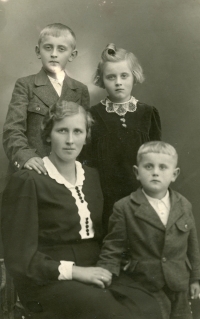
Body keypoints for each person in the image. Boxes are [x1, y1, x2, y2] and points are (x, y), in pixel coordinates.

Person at [1, 102, 162, 319]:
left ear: (86, 137)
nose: (70, 140)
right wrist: (77, 272)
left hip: (95, 268)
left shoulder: (92, 176)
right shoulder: (28, 180)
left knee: (148, 302)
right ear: (48, 135)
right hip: (47, 279)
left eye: (78, 131)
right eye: (62, 131)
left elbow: (105, 234)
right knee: (108, 309)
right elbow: (19, 257)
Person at [97, 141, 200, 319]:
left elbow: (193, 246)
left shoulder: (184, 205)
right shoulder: (125, 207)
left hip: (179, 283)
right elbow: (113, 247)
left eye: (163, 167)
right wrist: (104, 275)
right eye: (149, 166)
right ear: (137, 172)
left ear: (174, 174)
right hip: (145, 284)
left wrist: (195, 278)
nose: (155, 172)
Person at [86, 43, 161, 232]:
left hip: (143, 193)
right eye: (111, 77)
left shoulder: (147, 113)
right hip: (108, 197)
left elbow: (157, 158)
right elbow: (87, 161)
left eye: (124, 76)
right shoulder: (93, 115)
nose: (118, 82)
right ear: (102, 80)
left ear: (134, 77)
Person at [3, 23, 90, 176]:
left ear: (72, 55)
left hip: (66, 172)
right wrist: (26, 157)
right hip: (34, 170)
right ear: (38, 51)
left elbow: (83, 134)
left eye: (61, 49)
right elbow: (12, 129)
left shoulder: (80, 90)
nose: (54, 54)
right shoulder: (26, 85)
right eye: (48, 48)